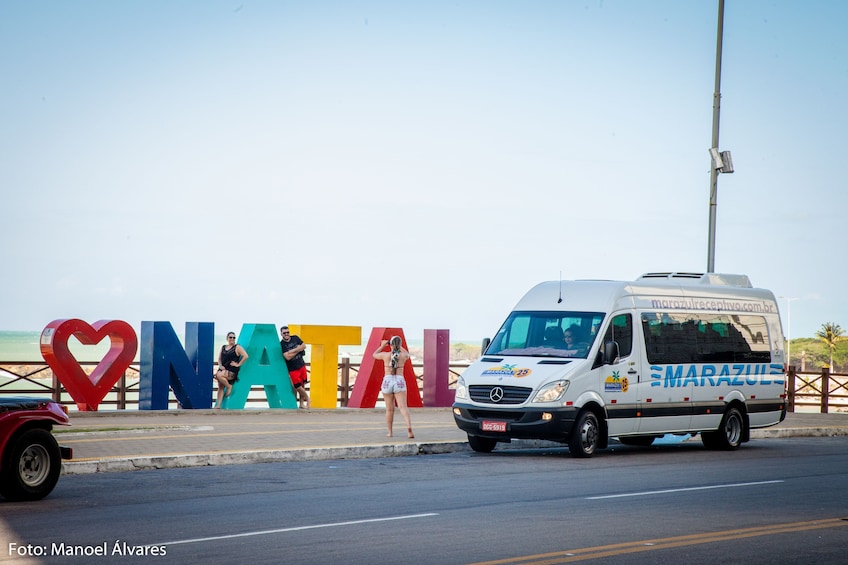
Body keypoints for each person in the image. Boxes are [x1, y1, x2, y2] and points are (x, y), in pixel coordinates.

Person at [373, 336, 414, 438]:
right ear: (399, 345)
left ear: (390, 345)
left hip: (387, 381)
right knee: (403, 407)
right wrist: (399, 346)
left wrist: (382, 345)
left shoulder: (385, 355)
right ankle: (409, 429)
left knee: (389, 409)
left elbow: (374, 355)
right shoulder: (403, 355)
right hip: (399, 380)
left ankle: (390, 432)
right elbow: (407, 354)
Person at [280, 325, 310, 409]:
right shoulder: (282, 344)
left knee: (303, 384)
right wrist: (298, 350)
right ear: (281, 334)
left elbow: (304, 346)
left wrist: (293, 351)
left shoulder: (295, 338)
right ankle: (307, 398)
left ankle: (301, 403)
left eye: (287, 332)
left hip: (301, 364)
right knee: (297, 386)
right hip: (292, 368)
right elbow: (287, 357)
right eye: (284, 333)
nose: (286, 334)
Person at [215, 332, 248, 408]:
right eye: (230, 337)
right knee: (220, 386)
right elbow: (219, 359)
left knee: (218, 375)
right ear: (227, 338)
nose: (232, 339)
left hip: (232, 370)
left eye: (234, 337)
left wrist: (238, 364)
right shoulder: (223, 347)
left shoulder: (237, 347)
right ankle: (218, 405)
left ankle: (229, 386)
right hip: (223, 369)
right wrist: (220, 365)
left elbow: (245, 356)